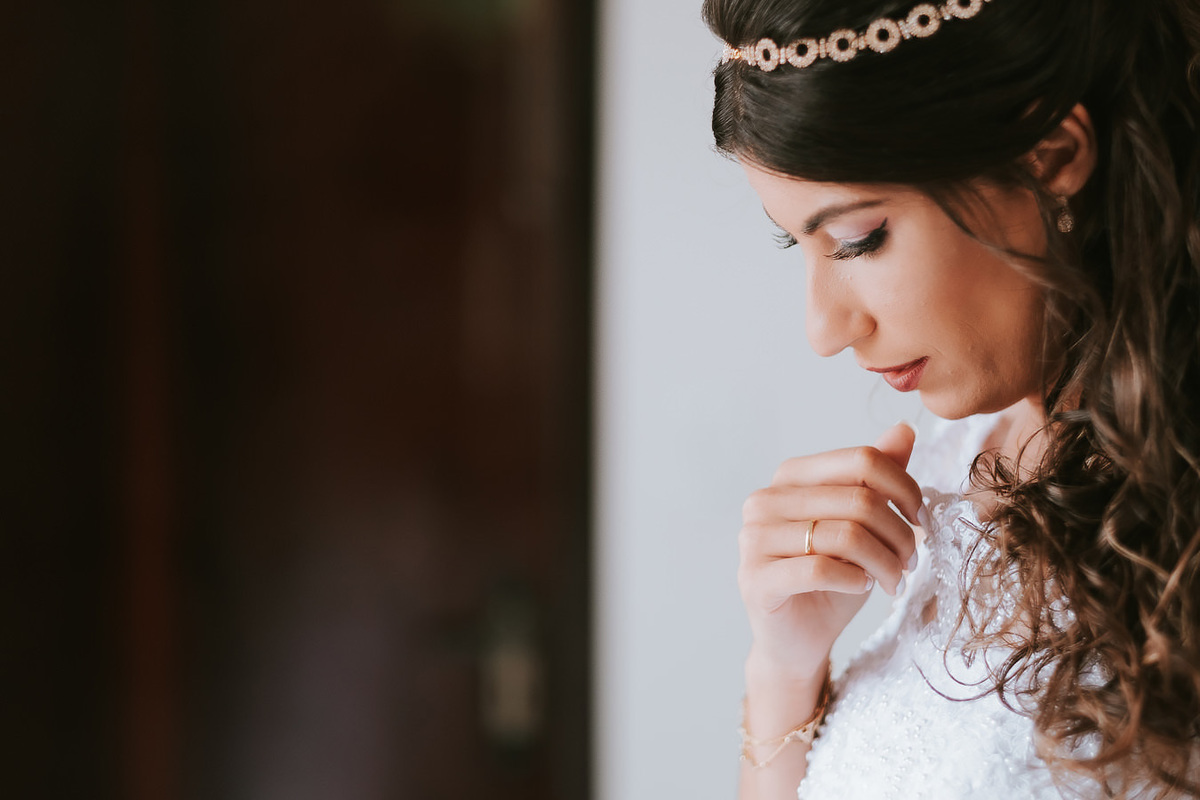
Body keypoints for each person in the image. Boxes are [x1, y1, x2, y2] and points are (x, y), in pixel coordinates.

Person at [702, 0, 1200, 797]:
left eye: (860, 238)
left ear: (1051, 155)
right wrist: (785, 667)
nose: (823, 328)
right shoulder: (957, 453)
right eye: (797, 243)